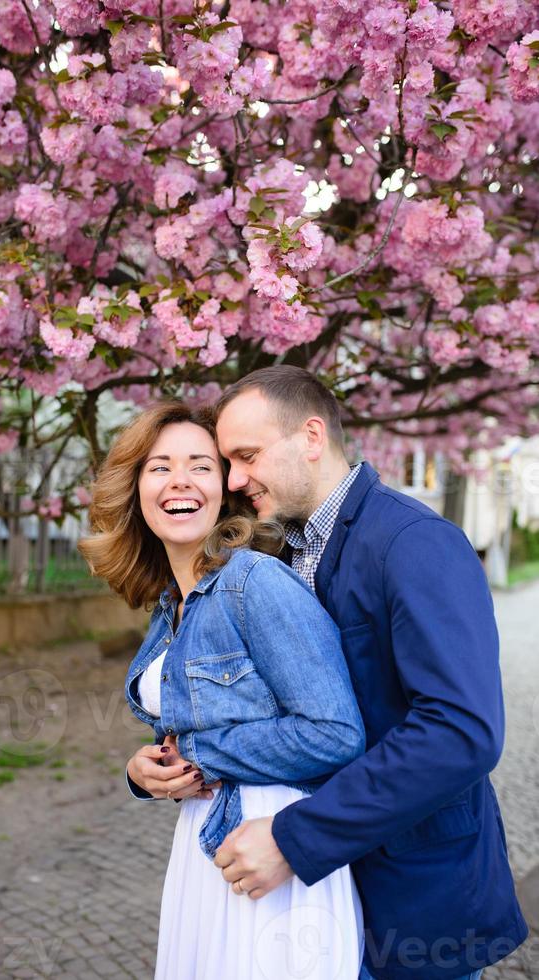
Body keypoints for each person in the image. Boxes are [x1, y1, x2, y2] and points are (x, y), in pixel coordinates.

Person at [200, 365, 529, 980]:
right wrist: (180, 757)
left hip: (412, 904)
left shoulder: (416, 541)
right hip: (316, 907)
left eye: (246, 456)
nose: (235, 480)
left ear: (312, 437)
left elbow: (460, 732)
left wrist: (296, 838)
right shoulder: (280, 552)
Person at [80, 401, 367, 980]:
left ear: (225, 490)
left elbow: (337, 732)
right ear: (134, 488)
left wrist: (202, 753)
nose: (179, 481)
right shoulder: (172, 603)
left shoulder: (254, 582)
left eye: (200, 466)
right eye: (159, 467)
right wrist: (147, 771)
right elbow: (194, 723)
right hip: (206, 842)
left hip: (272, 849)